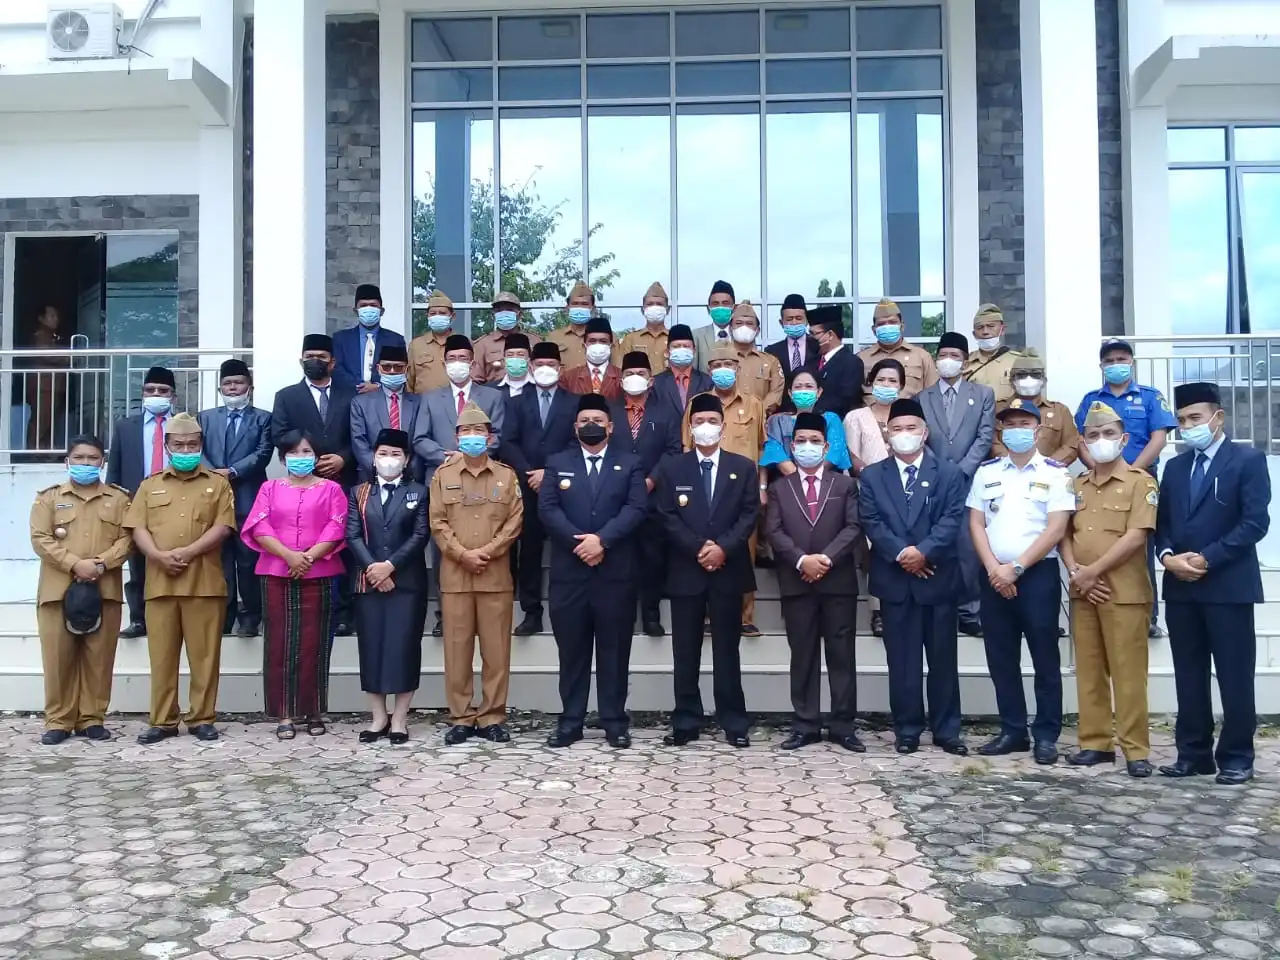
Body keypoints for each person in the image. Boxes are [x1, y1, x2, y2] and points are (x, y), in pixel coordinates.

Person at [1156, 382, 1270, 785]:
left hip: (1228, 586)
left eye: (1195, 419)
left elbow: (1255, 522)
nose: (1188, 427)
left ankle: (1238, 756)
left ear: (1217, 417)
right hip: (1182, 587)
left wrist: (1209, 558)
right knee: (1188, 673)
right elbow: (1163, 524)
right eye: (1183, 421)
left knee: (1235, 674)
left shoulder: (1247, 460)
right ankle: (1193, 753)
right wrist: (1169, 558)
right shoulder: (1174, 466)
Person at [858, 398, 968, 755]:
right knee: (902, 662)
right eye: (897, 429)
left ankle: (947, 729)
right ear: (887, 435)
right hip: (895, 581)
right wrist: (904, 554)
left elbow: (952, 521)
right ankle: (906, 729)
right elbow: (872, 521)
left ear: (925, 432)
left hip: (937, 578)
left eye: (911, 428)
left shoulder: (949, 473)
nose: (904, 435)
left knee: (943, 660)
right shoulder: (873, 475)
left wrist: (923, 552)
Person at [967, 399, 1074, 764]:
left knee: (1045, 657)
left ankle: (1046, 734)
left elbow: (1057, 528)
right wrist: (995, 568)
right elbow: (976, 524)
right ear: (1000, 431)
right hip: (993, 574)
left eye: (1023, 422)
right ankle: (1012, 730)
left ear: (1037, 428)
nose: (1016, 429)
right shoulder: (987, 472)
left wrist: (1017, 568)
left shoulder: (1056, 473)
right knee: (1001, 657)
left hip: (1037, 575)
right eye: (1009, 423)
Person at [540, 394, 648, 748]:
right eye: (585, 419)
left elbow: (635, 509)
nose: (591, 425)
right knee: (572, 652)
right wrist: (580, 544)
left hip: (615, 572)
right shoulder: (557, 462)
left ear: (611, 427)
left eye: (599, 420)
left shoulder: (629, 463)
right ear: (575, 427)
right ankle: (570, 722)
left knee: (614, 651)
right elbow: (549, 510)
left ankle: (615, 721)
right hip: (570, 574)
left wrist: (601, 541)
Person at [124, 413, 236, 744]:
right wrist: (157, 556)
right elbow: (137, 528)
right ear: (167, 446)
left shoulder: (218, 484)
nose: (185, 449)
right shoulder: (150, 484)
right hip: (160, 585)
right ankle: (163, 720)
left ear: (201, 445)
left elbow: (224, 527)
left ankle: (202, 718)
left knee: (204, 657)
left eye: (192, 444)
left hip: (204, 583)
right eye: (179, 445)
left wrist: (188, 552)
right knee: (161, 657)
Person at [655, 392, 758, 748]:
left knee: (727, 650)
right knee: (685, 650)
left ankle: (734, 721)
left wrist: (722, 548)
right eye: (699, 422)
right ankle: (685, 720)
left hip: (728, 570)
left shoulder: (743, 467)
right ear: (690, 427)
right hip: (687, 569)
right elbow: (666, 515)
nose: (705, 427)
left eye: (712, 421)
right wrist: (699, 548)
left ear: (723, 426)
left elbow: (748, 515)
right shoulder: (672, 468)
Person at [1060, 402, 1157, 777]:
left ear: (1124, 438)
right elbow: (1063, 533)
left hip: (1125, 592)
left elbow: (1137, 536)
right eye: (1094, 436)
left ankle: (1135, 750)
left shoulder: (1141, 482)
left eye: (1109, 435)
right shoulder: (1076, 485)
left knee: (1129, 673)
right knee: (1089, 669)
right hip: (1084, 591)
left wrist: (1093, 572)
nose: (1102, 441)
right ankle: (1095, 743)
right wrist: (1075, 570)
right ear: (1084, 441)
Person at [764, 412, 864, 752]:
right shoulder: (780, 487)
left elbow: (853, 527)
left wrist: (825, 559)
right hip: (797, 581)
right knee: (802, 655)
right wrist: (801, 560)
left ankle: (843, 726)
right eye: (802, 442)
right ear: (792, 447)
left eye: (815, 441)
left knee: (842, 655)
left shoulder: (845, 484)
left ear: (827, 446)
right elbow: (773, 531)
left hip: (837, 581)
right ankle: (805, 724)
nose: (808, 447)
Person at [241, 432, 347, 739]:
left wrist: (309, 557)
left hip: (320, 570)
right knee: (280, 643)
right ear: (283, 458)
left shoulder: (332, 489)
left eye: (307, 451)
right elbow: (259, 525)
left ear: (316, 456)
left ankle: (313, 711)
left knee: (315, 644)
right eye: (294, 452)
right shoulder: (269, 488)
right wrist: (288, 555)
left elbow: (336, 524)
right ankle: (284, 713)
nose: (301, 456)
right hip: (276, 570)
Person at [429, 403, 523, 745]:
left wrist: (487, 552)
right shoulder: (444, 475)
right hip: (456, 577)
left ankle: (493, 716)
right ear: (456, 437)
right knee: (457, 651)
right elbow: (437, 522)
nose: (473, 438)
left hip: (495, 576)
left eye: (479, 432)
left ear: (490, 437)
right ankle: (461, 717)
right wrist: (462, 554)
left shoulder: (505, 475)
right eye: (466, 432)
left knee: (497, 652)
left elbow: (514, 522)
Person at [30, 435, 132, 744]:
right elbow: (40, 538)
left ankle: (92, 718)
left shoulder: (119, 499)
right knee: (58, 657)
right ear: (67, 461)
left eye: (92, 458)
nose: (85, 464)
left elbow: (128, 539)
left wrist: (100, 563)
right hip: (57, 590)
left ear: (102, 462)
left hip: (104, 588)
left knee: (99, 657)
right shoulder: (49, 498)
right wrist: (76, 563)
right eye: (79, 458)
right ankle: (58, 721)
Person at [1075, 338, 1176, 638]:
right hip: (1099, 481)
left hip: (1140, 479)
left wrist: (1131, 471)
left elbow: (1159, 438)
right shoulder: (1091, 399)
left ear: (1131, 362)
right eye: (1110, 360)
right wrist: (1099, 469)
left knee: (1141, 545)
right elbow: (1081, 441)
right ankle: (1097, 600)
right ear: (1102, 366)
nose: (1116, 364)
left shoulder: (1149, 397)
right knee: (1098, 541)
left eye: (1122, 358)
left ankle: (1149, 616)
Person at [413, 334, 506, 636]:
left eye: (463, 359)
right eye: (452, 359)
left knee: (483, 540)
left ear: (473, 362)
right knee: (444, 545)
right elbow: (419, 438)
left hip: (484, 480)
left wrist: (470, 455)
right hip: (442, 480)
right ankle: (444, 613)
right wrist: (447, 456)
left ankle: (484, 610)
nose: (458, 364)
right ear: (444, 363)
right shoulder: (429, 397)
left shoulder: (492, 397)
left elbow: (499, 436)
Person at [346, 428, 430, 745]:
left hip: (406, 582)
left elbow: (420, 535)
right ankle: (378, 717)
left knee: (404, 647)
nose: (389, 460)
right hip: (368, 582)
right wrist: (373, 569)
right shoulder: (359, 492)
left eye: (396, 454)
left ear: (406, 459)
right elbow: (352, 535)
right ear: (373, 457)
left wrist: (390, 566)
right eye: (383, 453)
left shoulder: (419, 492)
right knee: (372, 647)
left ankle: (399, 719)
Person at [271, 333, 358, 633]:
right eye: (310, 356)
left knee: (342, 544)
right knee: (304, 540)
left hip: (343, 478)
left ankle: (344, 611)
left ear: (333, 362)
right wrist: (306, 454)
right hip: (301, 480)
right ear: (301, 360)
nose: (315, 361)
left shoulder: (351, 393)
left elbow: (359, 433)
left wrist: (343, 458)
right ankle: (306, 607)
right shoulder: (286, 396)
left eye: (322, 357)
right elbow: (278, 434)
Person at [682, 343, 767, 636]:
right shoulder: (697, 403)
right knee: (706, 546)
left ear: (738, 368)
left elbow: (760, 447)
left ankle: (744, 616)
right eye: (717, 364)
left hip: (743, 491)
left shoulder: (754, 403)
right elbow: (686, 446)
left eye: (729, 364)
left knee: (745, 551)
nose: (723, 369)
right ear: (709, 370)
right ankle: (707, 615)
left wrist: (763, 485)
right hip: (705, 486)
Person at [919, 332, 996, 637]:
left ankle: (970, 610)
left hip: (969, 479)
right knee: (938, 542)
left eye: (955, 355)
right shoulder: (922, 398)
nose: (948, 360)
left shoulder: (983, 394)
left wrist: (963, 469)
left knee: (968, 545)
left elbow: (985, 436)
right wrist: (938, 470)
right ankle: (942, 608)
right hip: (934, 481)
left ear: (965, 360)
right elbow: (920, 436)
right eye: (943, 355)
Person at [497, 341, 577, 636]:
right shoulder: (517, 402)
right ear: (531, 367)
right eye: (540, 364)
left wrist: (549, 472)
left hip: (563, 487)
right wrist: (530, 472)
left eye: (552, 365)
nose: (545, 370)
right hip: (526, 485)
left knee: (565, 548)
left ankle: (564, 608)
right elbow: (508, 441)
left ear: (560, 368)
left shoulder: (574, 402)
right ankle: (531, 612)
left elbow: (576, 441)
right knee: (528, 550)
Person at [608, 351, 683, 636]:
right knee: (620, 558)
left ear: (651, 380)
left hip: (654, 496)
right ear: (621, 379)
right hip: (616, 497)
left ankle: (651, 614)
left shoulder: (666, 412)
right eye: (629, 374)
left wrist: (651, 480)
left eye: (640, 373)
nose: (634, 378)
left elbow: (673, 451)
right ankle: (622, 614)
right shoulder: (609, 410)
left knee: (652, 556)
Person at [198, 359, 273, 638]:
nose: (233, 387)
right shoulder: (204, 418)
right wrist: (213, 472)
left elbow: (263, 452)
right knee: (220, 561)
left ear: (249, 387)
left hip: (249, 496)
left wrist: (233, 471)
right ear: (220, 388)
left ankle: (251, 617)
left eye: (238, 383)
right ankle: (224, 616)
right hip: (213, 498)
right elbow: (197, 450)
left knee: (249, 560)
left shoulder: (263, 418)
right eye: (228, 383)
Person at [107, 365, 178, 640]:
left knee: (174, 560)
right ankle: (139, 619)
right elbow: (115, 468)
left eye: (163, 391)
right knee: (137, 563)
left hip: (176, 502)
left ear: (173, 396)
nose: (156, 394)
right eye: (151, 390)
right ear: (143, 393)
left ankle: (171, 618)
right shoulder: (126, 426)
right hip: (136, 501)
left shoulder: (185, 424)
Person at [844, 358, 903, 638]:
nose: (887, 385)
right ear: (871, 383)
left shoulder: (908, 417)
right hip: (867, 492)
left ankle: (899, 604)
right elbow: (852, 457)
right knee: (874, 553)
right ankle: (877, 611)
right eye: (881, 380)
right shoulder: (856, 417)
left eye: (893, 381)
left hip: (905, 494)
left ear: (901, 386)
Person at [990, 349, 1078, 464]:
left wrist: (1047, 466)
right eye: (1021, 375)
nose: (1028, 379)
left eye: (1035, 375)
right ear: (1012, 381)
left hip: (1048, 476)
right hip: (1004, 472)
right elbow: (990, 441)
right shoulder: (997, 409)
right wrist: (1013, 464)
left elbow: (1071, 444)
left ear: (1044, 381)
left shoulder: (1060, 411)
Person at [351, 344, 422, 483]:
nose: (392, 371)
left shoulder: (419, 402)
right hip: (372, 476)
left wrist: (407, 468)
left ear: (406, 369)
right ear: (378, 369)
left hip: (411, 476)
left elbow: (421, 439)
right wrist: (382, 469)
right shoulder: (360, 403)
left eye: (398, 367)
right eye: (387, 366)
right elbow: (359, 441)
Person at [761, 369, 851, 476]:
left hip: (825, 483)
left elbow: (833, 454)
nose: (803, 391)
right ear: (790, 393)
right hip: (785, 484)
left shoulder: (831, 419)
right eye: (798, 387)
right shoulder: (777, 421)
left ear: (819, 392)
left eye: (809, 386)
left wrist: (812, 479)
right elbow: (775, 453)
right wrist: (800, 481)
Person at [332, 283, 408, 393]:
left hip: (382, 400)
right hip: (349, 398)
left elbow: (401, 370)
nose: (368, 309)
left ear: (381, 311)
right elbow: (337, 369)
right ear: (355, 311)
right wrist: (360, 386)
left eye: (373, 305)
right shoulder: (340, 339)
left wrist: (377, 386)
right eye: (363, 305)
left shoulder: (395, 340)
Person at [856, 298, 937, 400]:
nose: (887, 327)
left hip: (910, 414)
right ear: (874, 330)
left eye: (892, 322)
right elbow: (854, 397)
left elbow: (933, 396)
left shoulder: (921, 357)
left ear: (902, 326)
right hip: (870, 415)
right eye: (881, 324)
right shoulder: (861, 359)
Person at [472, 291, 542, 384]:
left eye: (509, 310)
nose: (504, 314)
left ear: (519, 314)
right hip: (495, 395)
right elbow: (476, 381)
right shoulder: (482, 345)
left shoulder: (535, 342)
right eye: (499, 311)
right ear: (493, 315)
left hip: (529, 395)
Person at [727, 302, 784, 415]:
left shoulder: (771, 361)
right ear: (730, 329)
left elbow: (775, 393)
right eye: (739, 323)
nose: (744, 327)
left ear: (757, 330)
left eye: (749, 323)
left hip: (760, 424)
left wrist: (756, 414)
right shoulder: (720, 360)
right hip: (727, 423)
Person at [26, 304, 70, 451]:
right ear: (41, 318)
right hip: (44, 385)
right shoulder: (41, 335)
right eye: (52, 316)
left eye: (57, 316)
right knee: (41, 420)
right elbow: (45, 353)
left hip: (52, 385)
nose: (56, 319)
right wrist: (67, 357)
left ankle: (44, 451)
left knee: (49, 421)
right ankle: (34, 451)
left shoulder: (52, 336)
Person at [808, 306, 864, 419]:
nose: (810, 338)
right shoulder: (811, 362)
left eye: (814, 334)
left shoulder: (852, 363)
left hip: (836, 424)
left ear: (830, 335)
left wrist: (813, 412)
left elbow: (845, 400)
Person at [650, 324, 712, 424]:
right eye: (676, 346)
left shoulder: (707, 382)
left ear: (694, 351)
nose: (682, 349)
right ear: (667, 352)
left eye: (686, 346)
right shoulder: (656, 383)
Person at [962, 304, 1020, 403]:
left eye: (991, 326)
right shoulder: (965, 363)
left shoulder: (1018, 361)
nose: (985, 332)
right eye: (980, 327)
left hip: (1006, 416)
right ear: (974, 334)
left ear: (1002, 330)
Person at [406, 290, 457, 394]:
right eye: (433, 313)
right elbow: (409, 381)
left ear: (453, 316)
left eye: (442, 313)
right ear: (427, 316)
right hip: (422, 405)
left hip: (455, 405)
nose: (437, 316)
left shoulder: (463, 343)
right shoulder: (416, 345)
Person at [560, 316, 622, 400]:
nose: (597, 345)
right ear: (584, 345)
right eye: (592, 341)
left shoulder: (621, 376)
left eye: (603, 341)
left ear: (610, 346)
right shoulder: (568, 378)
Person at [614, 282, 671, 372]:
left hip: (669, 386)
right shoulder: (631, 339)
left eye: (659, 304)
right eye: (650, 304)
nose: (654, 307)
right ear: (642, 309)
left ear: (668, 310)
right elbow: (621, 370)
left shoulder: (674, 338)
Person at [766, 294, 821, 379]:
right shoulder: (771, 352)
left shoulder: (819, 346)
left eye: (799, 318)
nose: (794, 323)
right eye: (789, 319)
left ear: (807, 321)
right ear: (781, 323)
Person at [547, 281, 595, 371]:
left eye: (584, 304)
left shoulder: (607, 338)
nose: (579, 308)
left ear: (592, 309)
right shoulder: (553, 337)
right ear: (567, 308)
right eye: (575, 304)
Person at [693, 280, 737, 371]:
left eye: (725, 303)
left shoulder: (740, 335)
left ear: (734, 308)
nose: (720, 307)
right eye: (715, 303)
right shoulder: (696, 335)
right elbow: (693, 373)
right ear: (708, 309)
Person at [495, 332, 533, 399]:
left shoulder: (540, 388)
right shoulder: (490, 389)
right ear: (504, 360)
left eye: (521, 355)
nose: (515, 358)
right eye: (510, 355)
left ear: (529, 360)